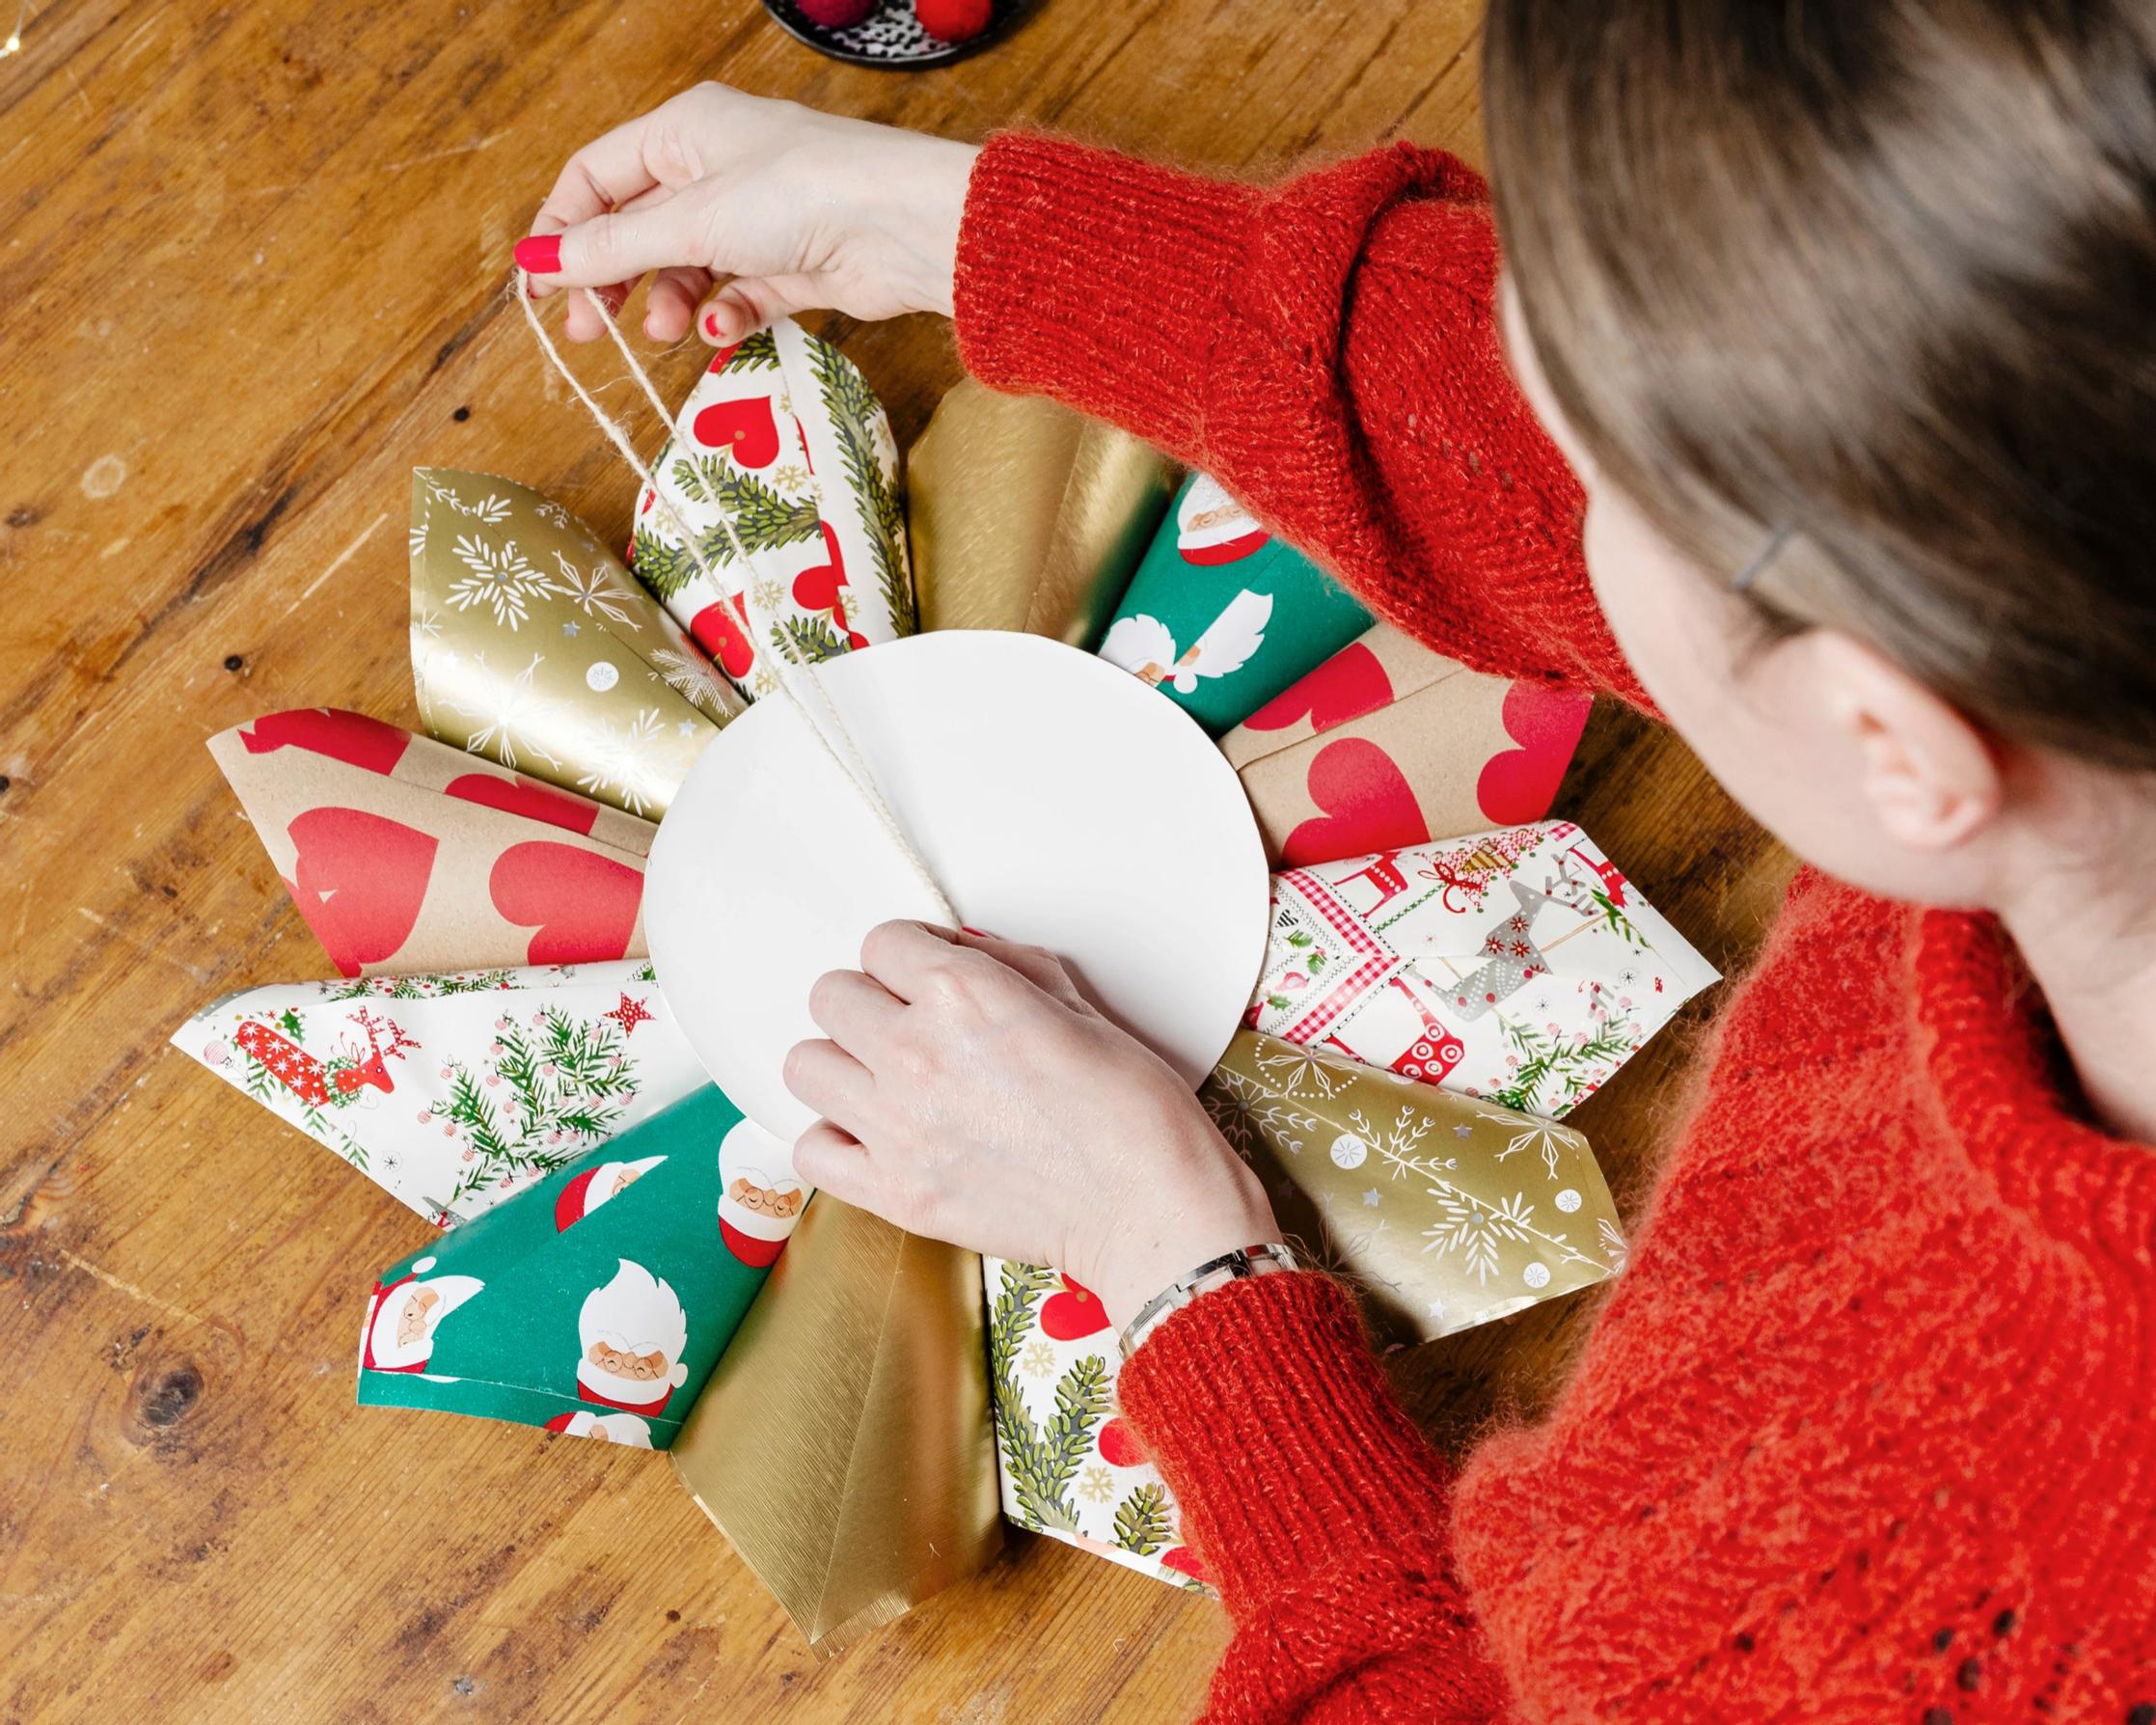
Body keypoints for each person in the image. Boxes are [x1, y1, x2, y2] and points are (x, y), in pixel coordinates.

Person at [515, 4, 2156, 1715]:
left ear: (1898, 743)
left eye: (1607, 475)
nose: (1557, 463)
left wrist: (1168, 1247)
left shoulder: (1934, 1623)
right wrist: (955, 230)